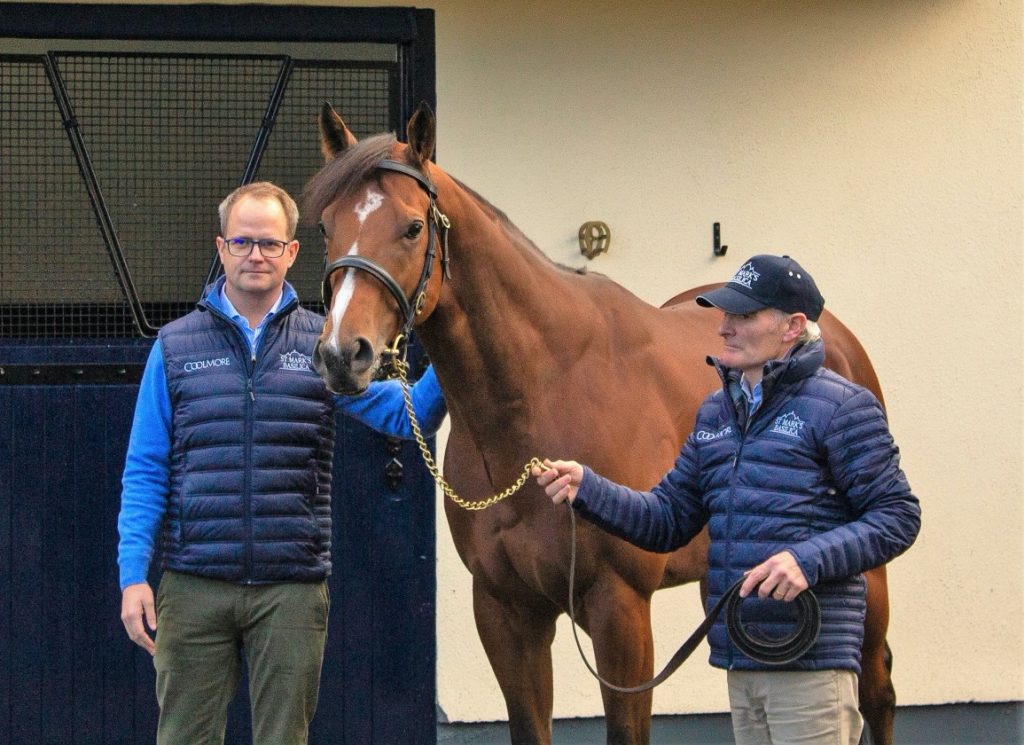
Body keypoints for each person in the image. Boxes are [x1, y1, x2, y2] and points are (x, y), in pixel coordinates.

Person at [534, 254, 920, 745]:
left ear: (792, 327)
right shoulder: (717, 414)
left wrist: (808, 561)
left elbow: (898, 516)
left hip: (813, 666)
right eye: (725, 314)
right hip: (742, 663)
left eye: (742, 316)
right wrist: (588, 489)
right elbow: (667, 521)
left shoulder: (842, 407)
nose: (724, 328)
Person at [117, 181, 447, 745]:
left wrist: (454, 345)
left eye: (270, 244)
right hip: (194, 584)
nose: (255, 255)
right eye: (243, 242)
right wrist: (132, 577)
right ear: (221, 248)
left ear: (292, 252)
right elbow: (145, 467)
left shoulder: (323, 345)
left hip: (290, 591)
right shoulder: (174, 347)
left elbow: (404, 414)